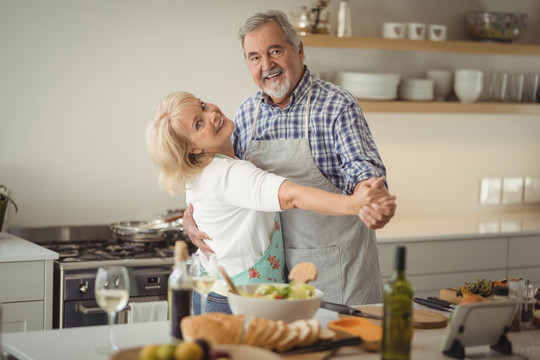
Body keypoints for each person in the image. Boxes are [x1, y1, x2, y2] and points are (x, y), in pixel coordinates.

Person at [184, 10, 396, 306]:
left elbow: (363, 172)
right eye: (255, 57)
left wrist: (371, 198)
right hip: (273, 281)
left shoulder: (337, 106)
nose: (267, 65)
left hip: (338, 276)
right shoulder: (247, 113)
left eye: (275, 51)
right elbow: (229, 183)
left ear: (298, 49)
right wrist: (193, 217)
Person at [146, 91, 394, 314]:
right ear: (194, 148)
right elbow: (291, 196)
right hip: (237, 300)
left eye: (202, 105)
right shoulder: (228, 172)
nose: (211, 114)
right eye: (199, 124)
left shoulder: (200, 172)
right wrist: (353, 204)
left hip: (217, 293)